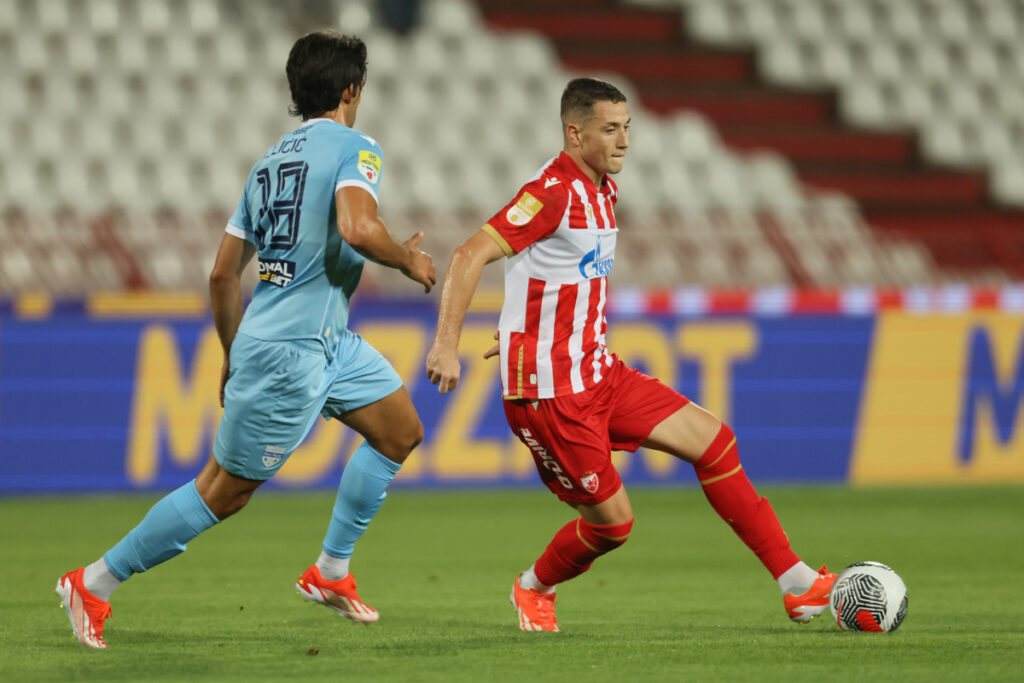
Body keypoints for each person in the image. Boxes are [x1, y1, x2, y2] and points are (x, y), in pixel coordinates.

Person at [56, 31, 436, 648]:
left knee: (399, 431)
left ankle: (330, 571)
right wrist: (408, 262)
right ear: (351, 90)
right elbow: (358, 227)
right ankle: (94, 582)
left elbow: (222, 274)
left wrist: (233, 355)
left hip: (324, 342)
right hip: (291, 352)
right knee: (223, 492)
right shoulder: (357, 147)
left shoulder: (268, 164)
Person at [425, 77, 835, 632]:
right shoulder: (551, 192)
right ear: (575, 133)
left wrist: (520, 325)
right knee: (613, 527)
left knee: (714, 443)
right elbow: (469, 254)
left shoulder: (603, 190)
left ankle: (797, 583)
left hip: (598, 371)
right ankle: (533, 587)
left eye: (627, 129)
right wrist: (447, 344)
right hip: (553, 394)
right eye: (610, 129)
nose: (624, 141)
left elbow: (555, 277)